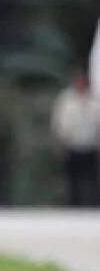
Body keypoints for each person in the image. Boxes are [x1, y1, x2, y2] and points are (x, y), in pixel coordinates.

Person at [51, 67, 100, 208]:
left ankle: (92, 205)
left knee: (91, 179)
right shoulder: (66, 99)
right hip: (72, 145)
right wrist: (60, 140)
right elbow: (58, 121)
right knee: (72, 180)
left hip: (90, 145)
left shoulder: (95, 100)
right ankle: (73, 206)